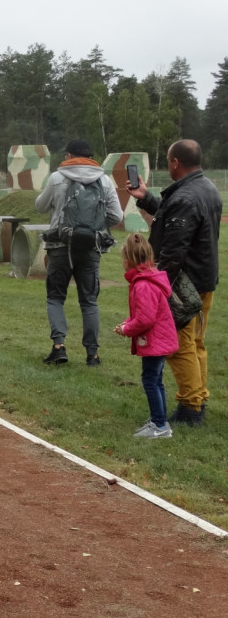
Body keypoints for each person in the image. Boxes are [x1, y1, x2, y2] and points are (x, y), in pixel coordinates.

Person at [127, 139, 221, 426]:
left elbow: (173, 251)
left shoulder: (185, 197)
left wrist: (158, 287)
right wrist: (145, 197)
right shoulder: (206, 187)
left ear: (175, 162)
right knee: (196, 342)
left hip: (184, 286)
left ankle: (191, 407)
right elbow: (173, 217)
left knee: (180, 347)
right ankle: (198, 396)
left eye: (168, 160)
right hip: (204, 281)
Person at [35, 139, 123, 366]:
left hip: (59, 247)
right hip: (91, 247)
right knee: (89, 301)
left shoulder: (57, 178)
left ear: (68, 156)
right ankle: (92, 354)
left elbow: (40, 207)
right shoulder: (104, 180)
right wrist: (93, 226)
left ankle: (59, 346)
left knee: (55, 297)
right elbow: (117, 216)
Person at [113, 234, 178, 439]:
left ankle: (159, 425)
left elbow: (145, 320)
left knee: (150, 380)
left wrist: (126, 330)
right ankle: (159, 420)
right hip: (159, 338)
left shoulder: (142, 284)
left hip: (155, 340)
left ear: (128, 260)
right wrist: (127, 322)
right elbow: (143, 313)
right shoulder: (148, 279)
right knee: (156, 380)